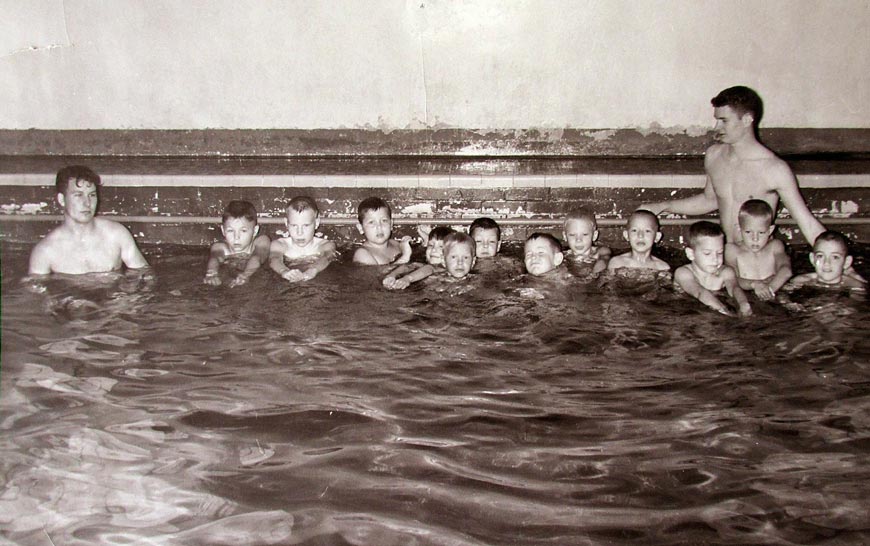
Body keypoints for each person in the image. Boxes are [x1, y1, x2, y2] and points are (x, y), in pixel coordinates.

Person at [641, 86, 825, 247]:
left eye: (724, 120)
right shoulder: (714, 156)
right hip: (724, 255)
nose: (716, 126)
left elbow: (807, 223)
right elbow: (710, 200)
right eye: (716, 120)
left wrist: (840, 261)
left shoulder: (774, 169)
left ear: (746, 120)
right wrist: (663, 205)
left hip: (757, 262)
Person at [28, 165, 150, 275]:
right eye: (78, 195)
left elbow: (145, 276)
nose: (87, 203)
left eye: (91, 195)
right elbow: (37, 295)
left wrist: (129, 297)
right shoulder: (45, 252)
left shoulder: (116, 235)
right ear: (62, 200)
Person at [674, 221, 752, 317]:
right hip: (685, 313)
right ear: (691, 254)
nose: (715, 259)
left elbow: (734, 288)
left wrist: (743, 304)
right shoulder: (683, 273)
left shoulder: (725, 272)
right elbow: (699, 292)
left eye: (719, 253)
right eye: (707, 253)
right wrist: (724, 312)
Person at [724, 199, 792, 300]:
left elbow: (786, 270)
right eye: (748, 232)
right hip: (747, 296)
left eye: (761, 233)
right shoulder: (732, 251)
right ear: (739, 229)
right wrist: (754, 284)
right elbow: (732, 280)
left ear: (770, 230)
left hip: (775, 291)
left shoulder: (775, 247)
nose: (755, 238)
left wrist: (769, 290)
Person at [203, 200, 271, 287]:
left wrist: (246, 275)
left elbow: (257, 257)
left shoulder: (262, 241)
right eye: (230, 231)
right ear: (223, 231)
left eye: (243, 231)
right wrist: (211, 274)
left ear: (255, 231)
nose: (236, 237)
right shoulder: (220, 247)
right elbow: (215, 258)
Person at [269, 196, 336, 282]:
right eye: (294, 225)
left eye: (306, 226)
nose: (299, 232)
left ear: (316, 223)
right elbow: (274, 258)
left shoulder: (325, 245)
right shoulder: (280, 245)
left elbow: (327, 257)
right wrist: (284, 271)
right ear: (286, 223)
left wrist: (312, 271)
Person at [784, 230, 866, 290]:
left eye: (835, 257)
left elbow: (857, 309)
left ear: (846, 262)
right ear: (812, 259)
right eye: (820, 256)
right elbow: (783, 298)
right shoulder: (800, 281)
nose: (826, 263)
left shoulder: (855, 286)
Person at [383, 226, 452, 290]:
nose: (434, 249)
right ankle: (423, 244)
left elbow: (430, 268)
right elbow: (409, 266)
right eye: (431, 245)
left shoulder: (446, 267)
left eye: (441, 247)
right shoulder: (421, 263)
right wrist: (391, 275)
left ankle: (425, 241)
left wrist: (408, 278)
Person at [353, 197, 413, 265]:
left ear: (391, 224)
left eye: (384, 221)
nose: (379, 227)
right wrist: (405, 256)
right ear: (361, 228)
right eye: (371, 222)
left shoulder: (395, 244)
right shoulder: (363, 254)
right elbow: (383, 275)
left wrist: (425, 242)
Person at [563, 208, 611, 273]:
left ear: (594, 235)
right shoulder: (562, 257)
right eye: (572, 235)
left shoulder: (600, 253)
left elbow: (604, 258)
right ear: (565, 236)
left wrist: (594, 276)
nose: (578, 240)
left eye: (585, 234)